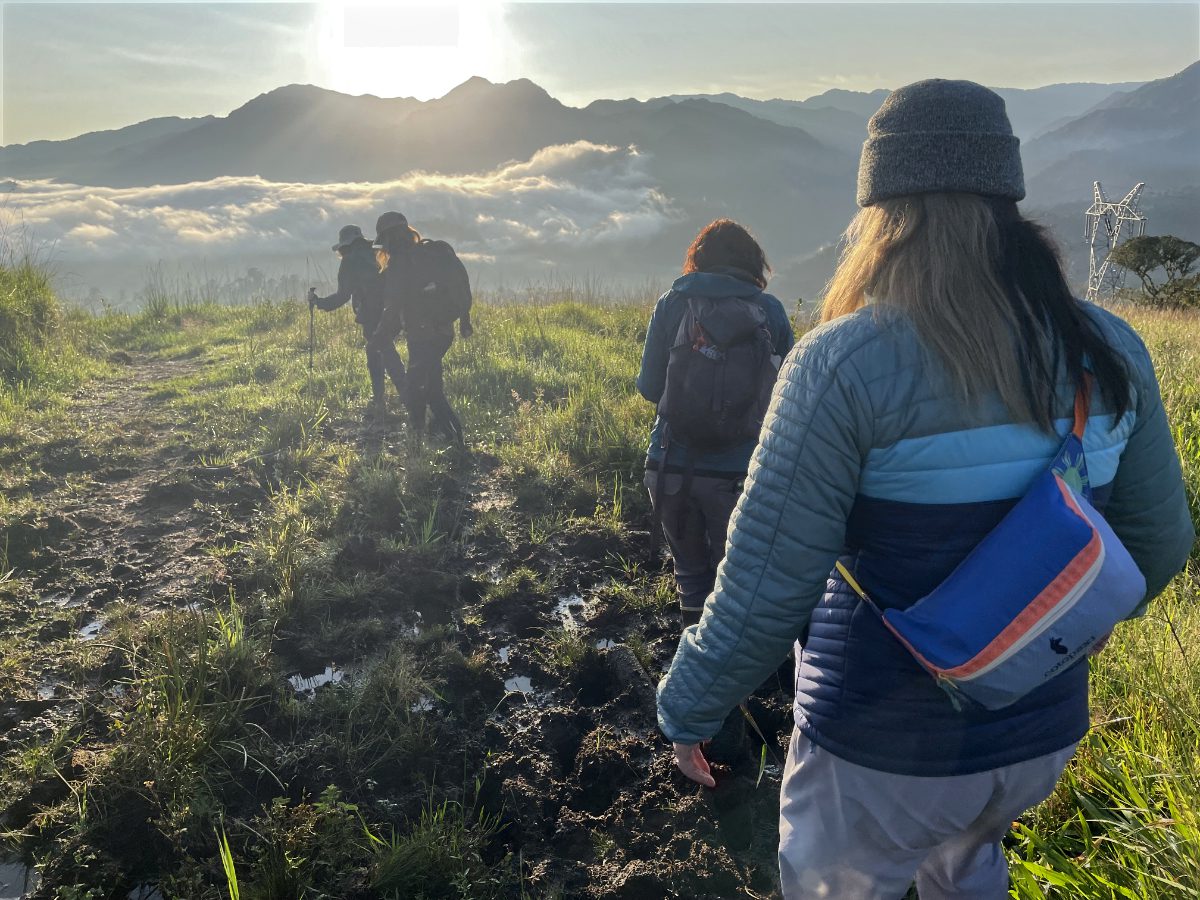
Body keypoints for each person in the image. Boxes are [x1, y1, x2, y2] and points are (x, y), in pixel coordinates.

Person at [655, 80, 1194, 899]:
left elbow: (766, 587)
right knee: (968, 864)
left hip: (880, 751)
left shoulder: (843, 366)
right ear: (1005, 201)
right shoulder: (1107, 349)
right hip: (1037, 733)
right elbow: (1159, 544)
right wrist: (1041, 638)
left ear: (882, 215)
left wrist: (687, 708)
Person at [637, 219, 795, 630]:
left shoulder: (673, 302)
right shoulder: (770, 310)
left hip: (670, 465)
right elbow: (787, 396)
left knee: (691, 578)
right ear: (753, 263)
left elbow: (650, 387)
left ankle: (693, 671)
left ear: (698, 259)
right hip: (739, 475)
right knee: (736, 582)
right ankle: (738, 680)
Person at [369, 211, 468, 444]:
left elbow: (392, 308)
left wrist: (379, 338)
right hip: (444, 331)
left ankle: (440, 439)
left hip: (422, 335)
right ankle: (434, 436)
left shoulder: (399, 265)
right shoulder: (428, 255)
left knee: (420, 390)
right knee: (430, 385)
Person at [308, 224, 405, 415]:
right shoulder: (379, 253)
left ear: (344, 246)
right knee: (383, 351)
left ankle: (392, 398)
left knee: (379, 353)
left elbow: (342, 296)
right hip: (393, 311)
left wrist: (319, 303)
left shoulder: (350, 262)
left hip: (371, 314)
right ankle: (395, 396)